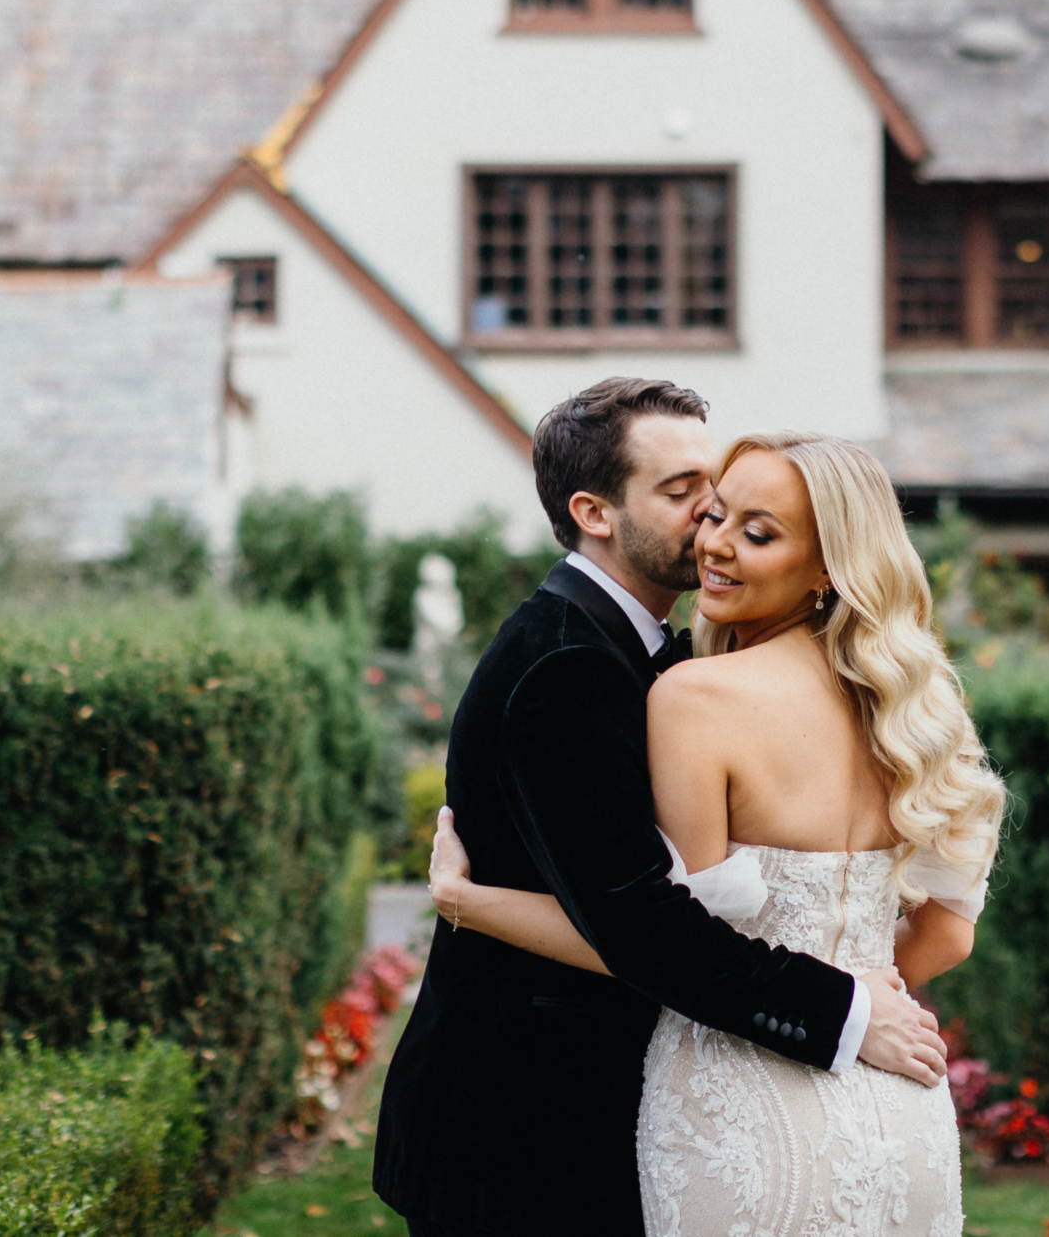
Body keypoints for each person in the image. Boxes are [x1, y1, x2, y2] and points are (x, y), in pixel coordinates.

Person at [373, 382, 952, 1237]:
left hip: (614, 1117)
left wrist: (473, 902)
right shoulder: (564, 665)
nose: (711, 521)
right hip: (527, 1129)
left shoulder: (663, 661)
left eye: (719, 498)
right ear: (594, 512)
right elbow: (641, 921)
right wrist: (843, 1009)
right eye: (685, 496)